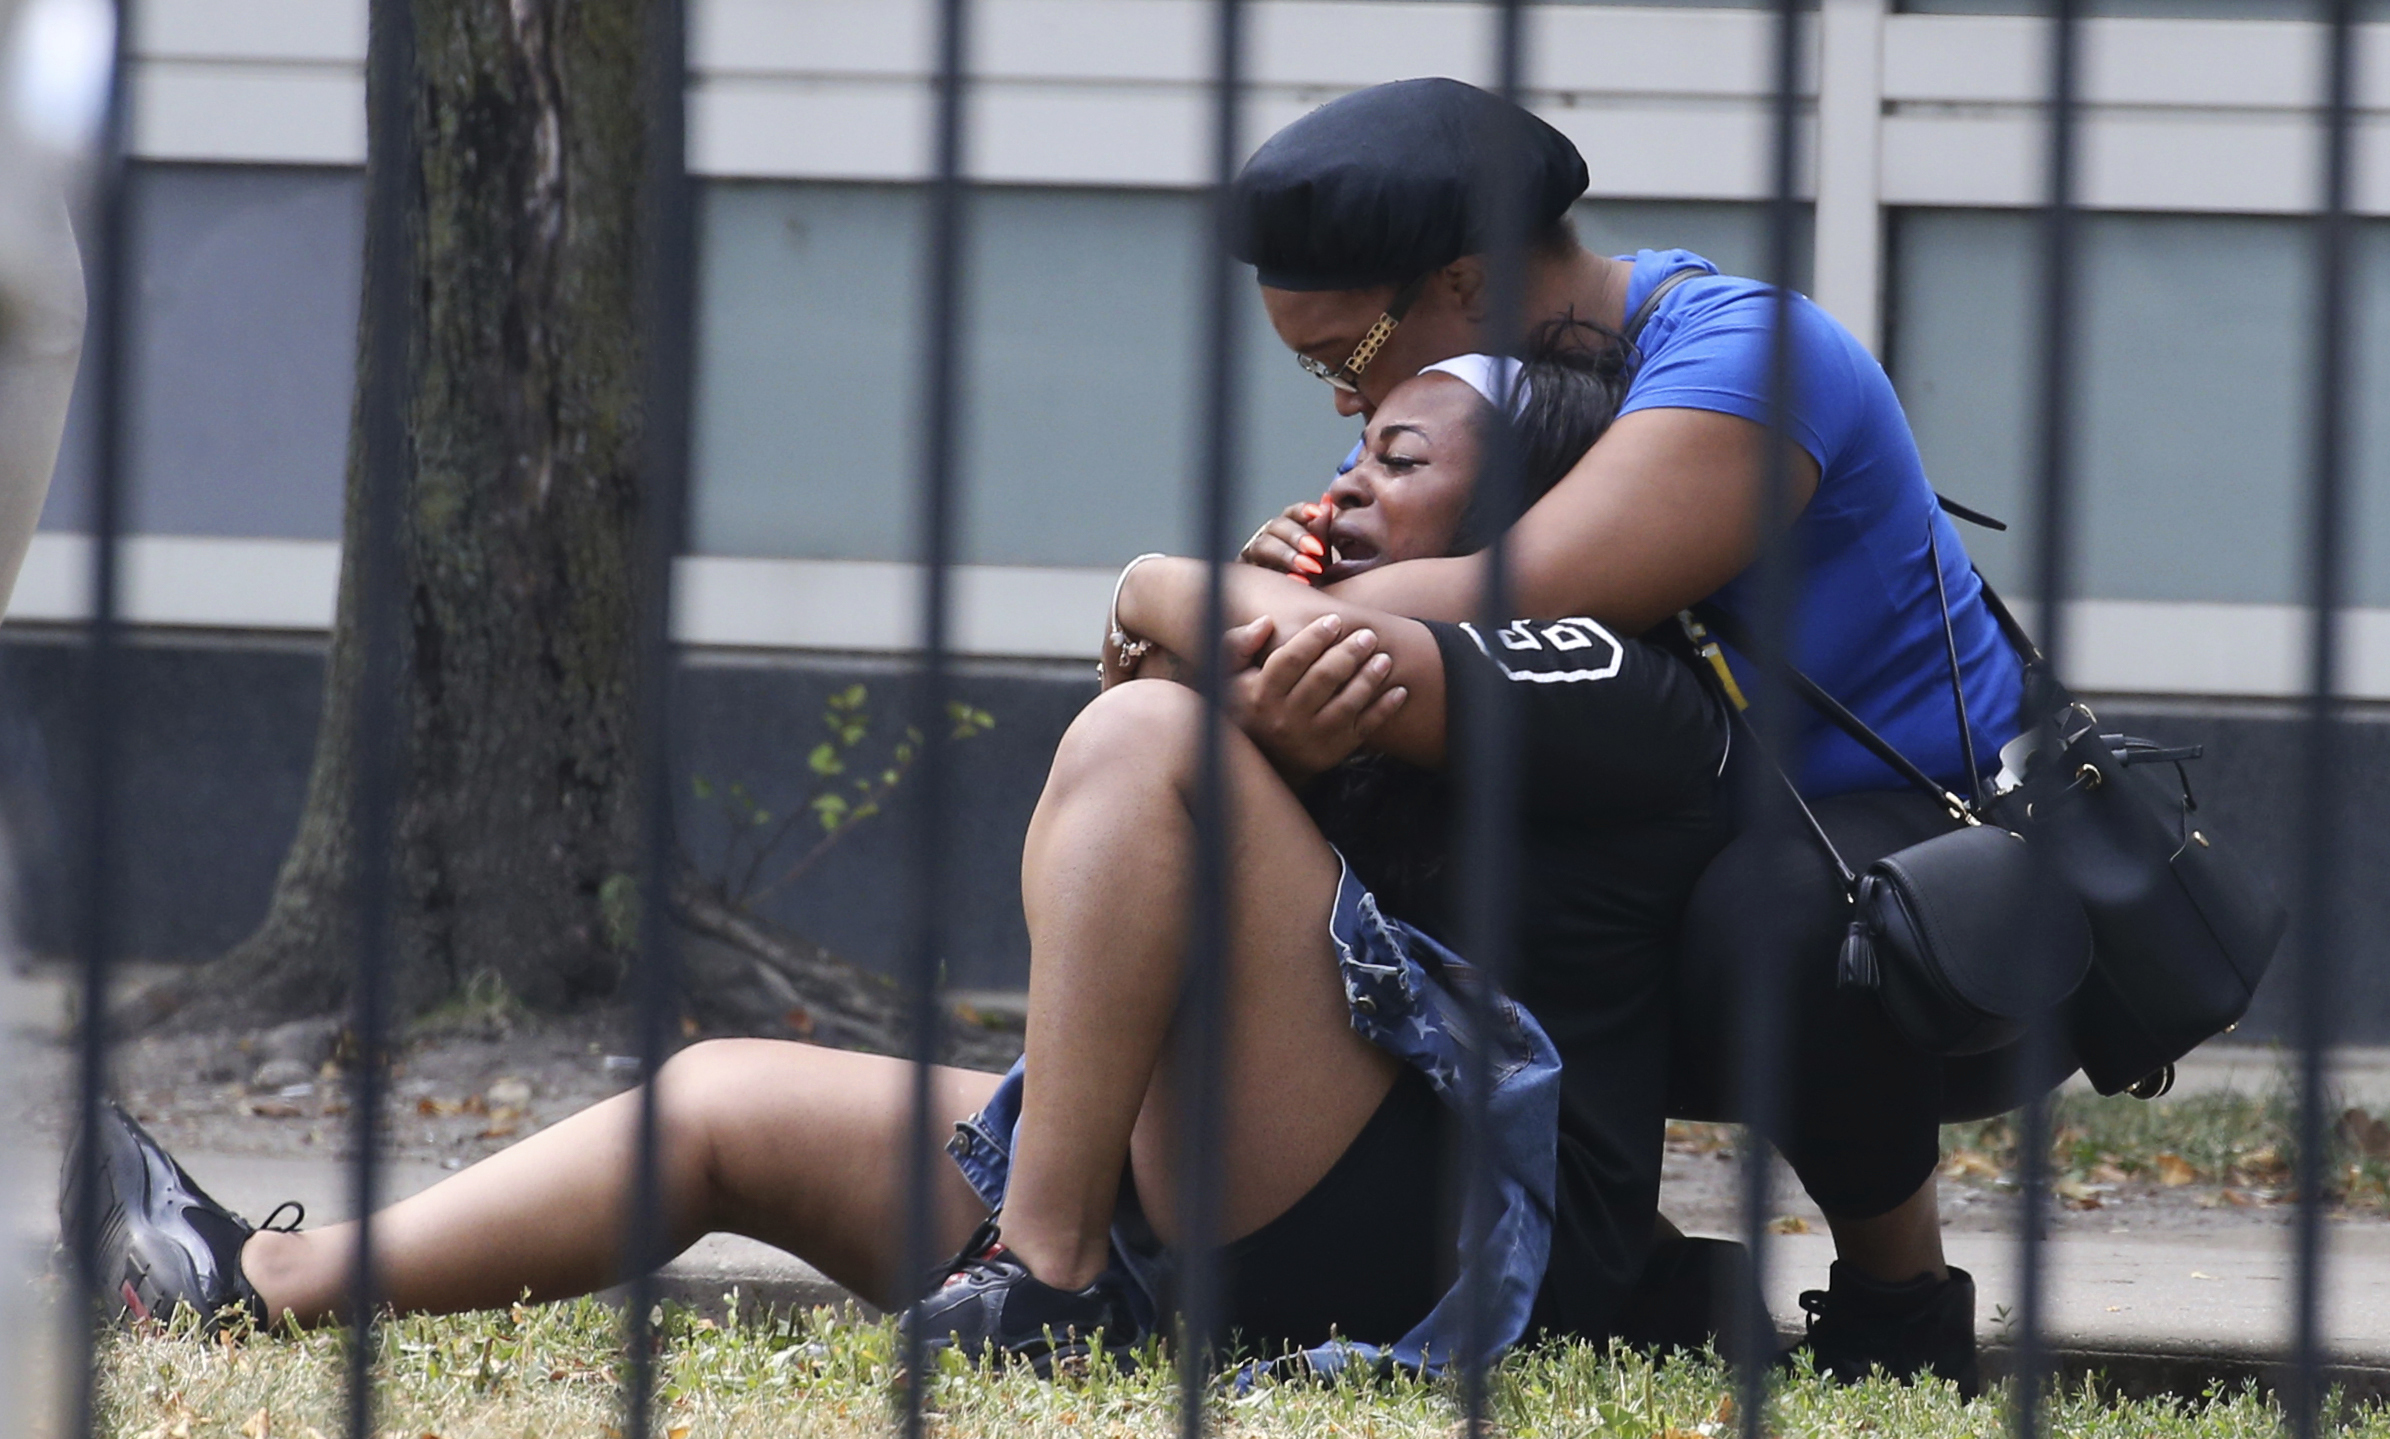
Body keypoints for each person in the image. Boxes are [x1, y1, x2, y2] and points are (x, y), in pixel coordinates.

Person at [72, 337, 1729, 1374]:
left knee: (1147, 743)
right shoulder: (1348, 649)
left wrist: (1168, 588)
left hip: (1442, 1236)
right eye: (1346, 450)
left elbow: (1162, 706)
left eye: (1399, 460)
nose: (1343, 487)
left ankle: (1042, 1281)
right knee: (721, 1101)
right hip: (1233, 1198)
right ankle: (252, 1284)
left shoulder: (1601, 664)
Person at [1222, 76, 2044, 1393]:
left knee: (1773, 913)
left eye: (1346, 361)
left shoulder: (1737, 355)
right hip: (1666, 818)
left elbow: (1518, 601)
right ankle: (1632, 1270)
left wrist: (1238, 605)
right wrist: (1304, 575)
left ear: (1465, 280)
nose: (1339, 408)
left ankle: (1901, 1300)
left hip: (1916, 877)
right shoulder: (1501, 397)